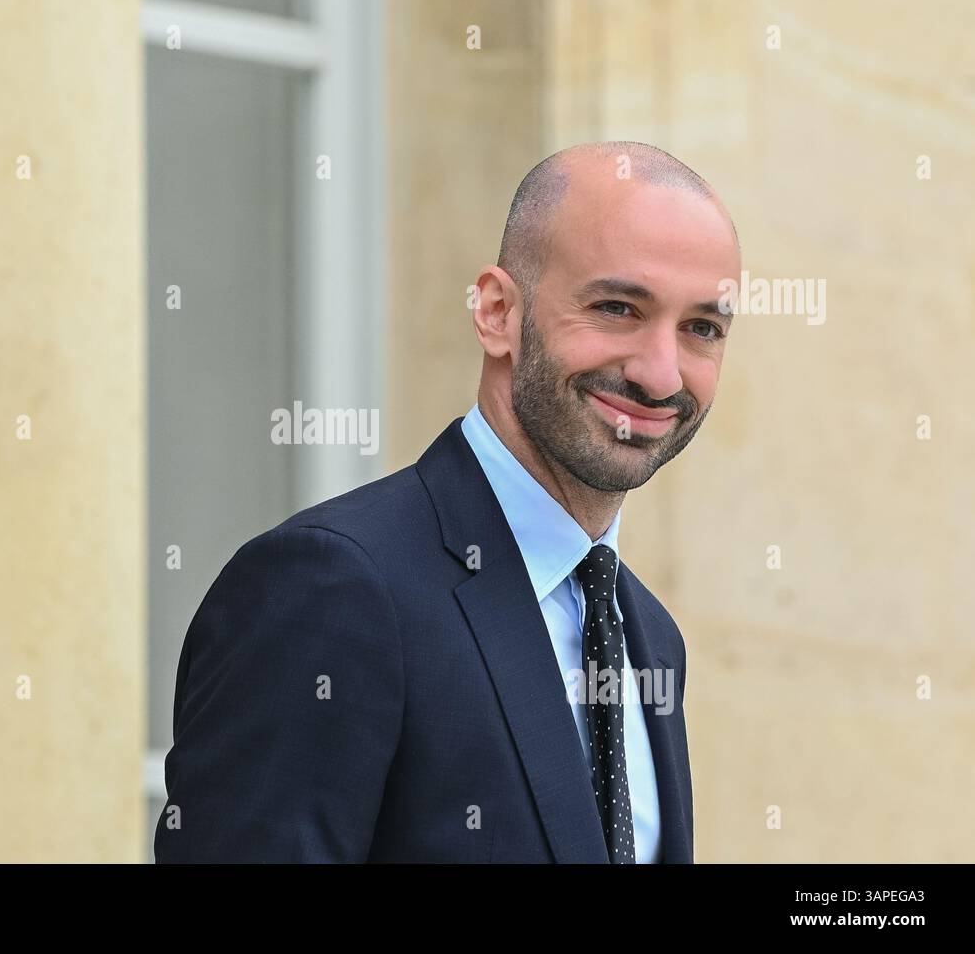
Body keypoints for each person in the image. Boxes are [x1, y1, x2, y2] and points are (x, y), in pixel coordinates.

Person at [154, 141, 741, 863]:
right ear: (496, 312)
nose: (659, 374)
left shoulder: (649, 635)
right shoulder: (331, 588)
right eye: (617, 308)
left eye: (702, 328)